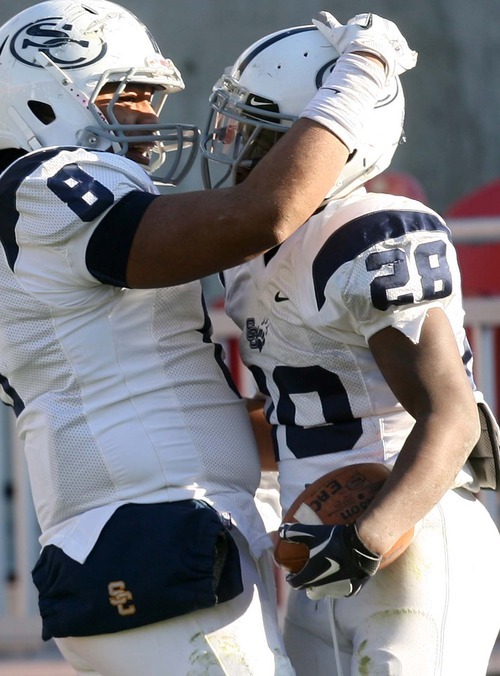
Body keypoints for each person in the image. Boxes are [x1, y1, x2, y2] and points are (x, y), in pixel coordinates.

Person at [0, 1, 418, 674]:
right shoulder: (39, 186)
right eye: (124, 92)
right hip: (146, 537)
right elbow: (266, 214)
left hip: (162, 538)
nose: (145, 116)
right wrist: (359, 76)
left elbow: (161, 398)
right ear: (42, 94)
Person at [200, 16, 500, 676]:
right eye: (236, 129)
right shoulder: (252, 257)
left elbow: (448, 414)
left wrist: (367, 537)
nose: (240, 151)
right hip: (323, 544)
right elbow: (296, 412)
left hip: (409, 533)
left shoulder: (370, 232)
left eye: (262, 137)